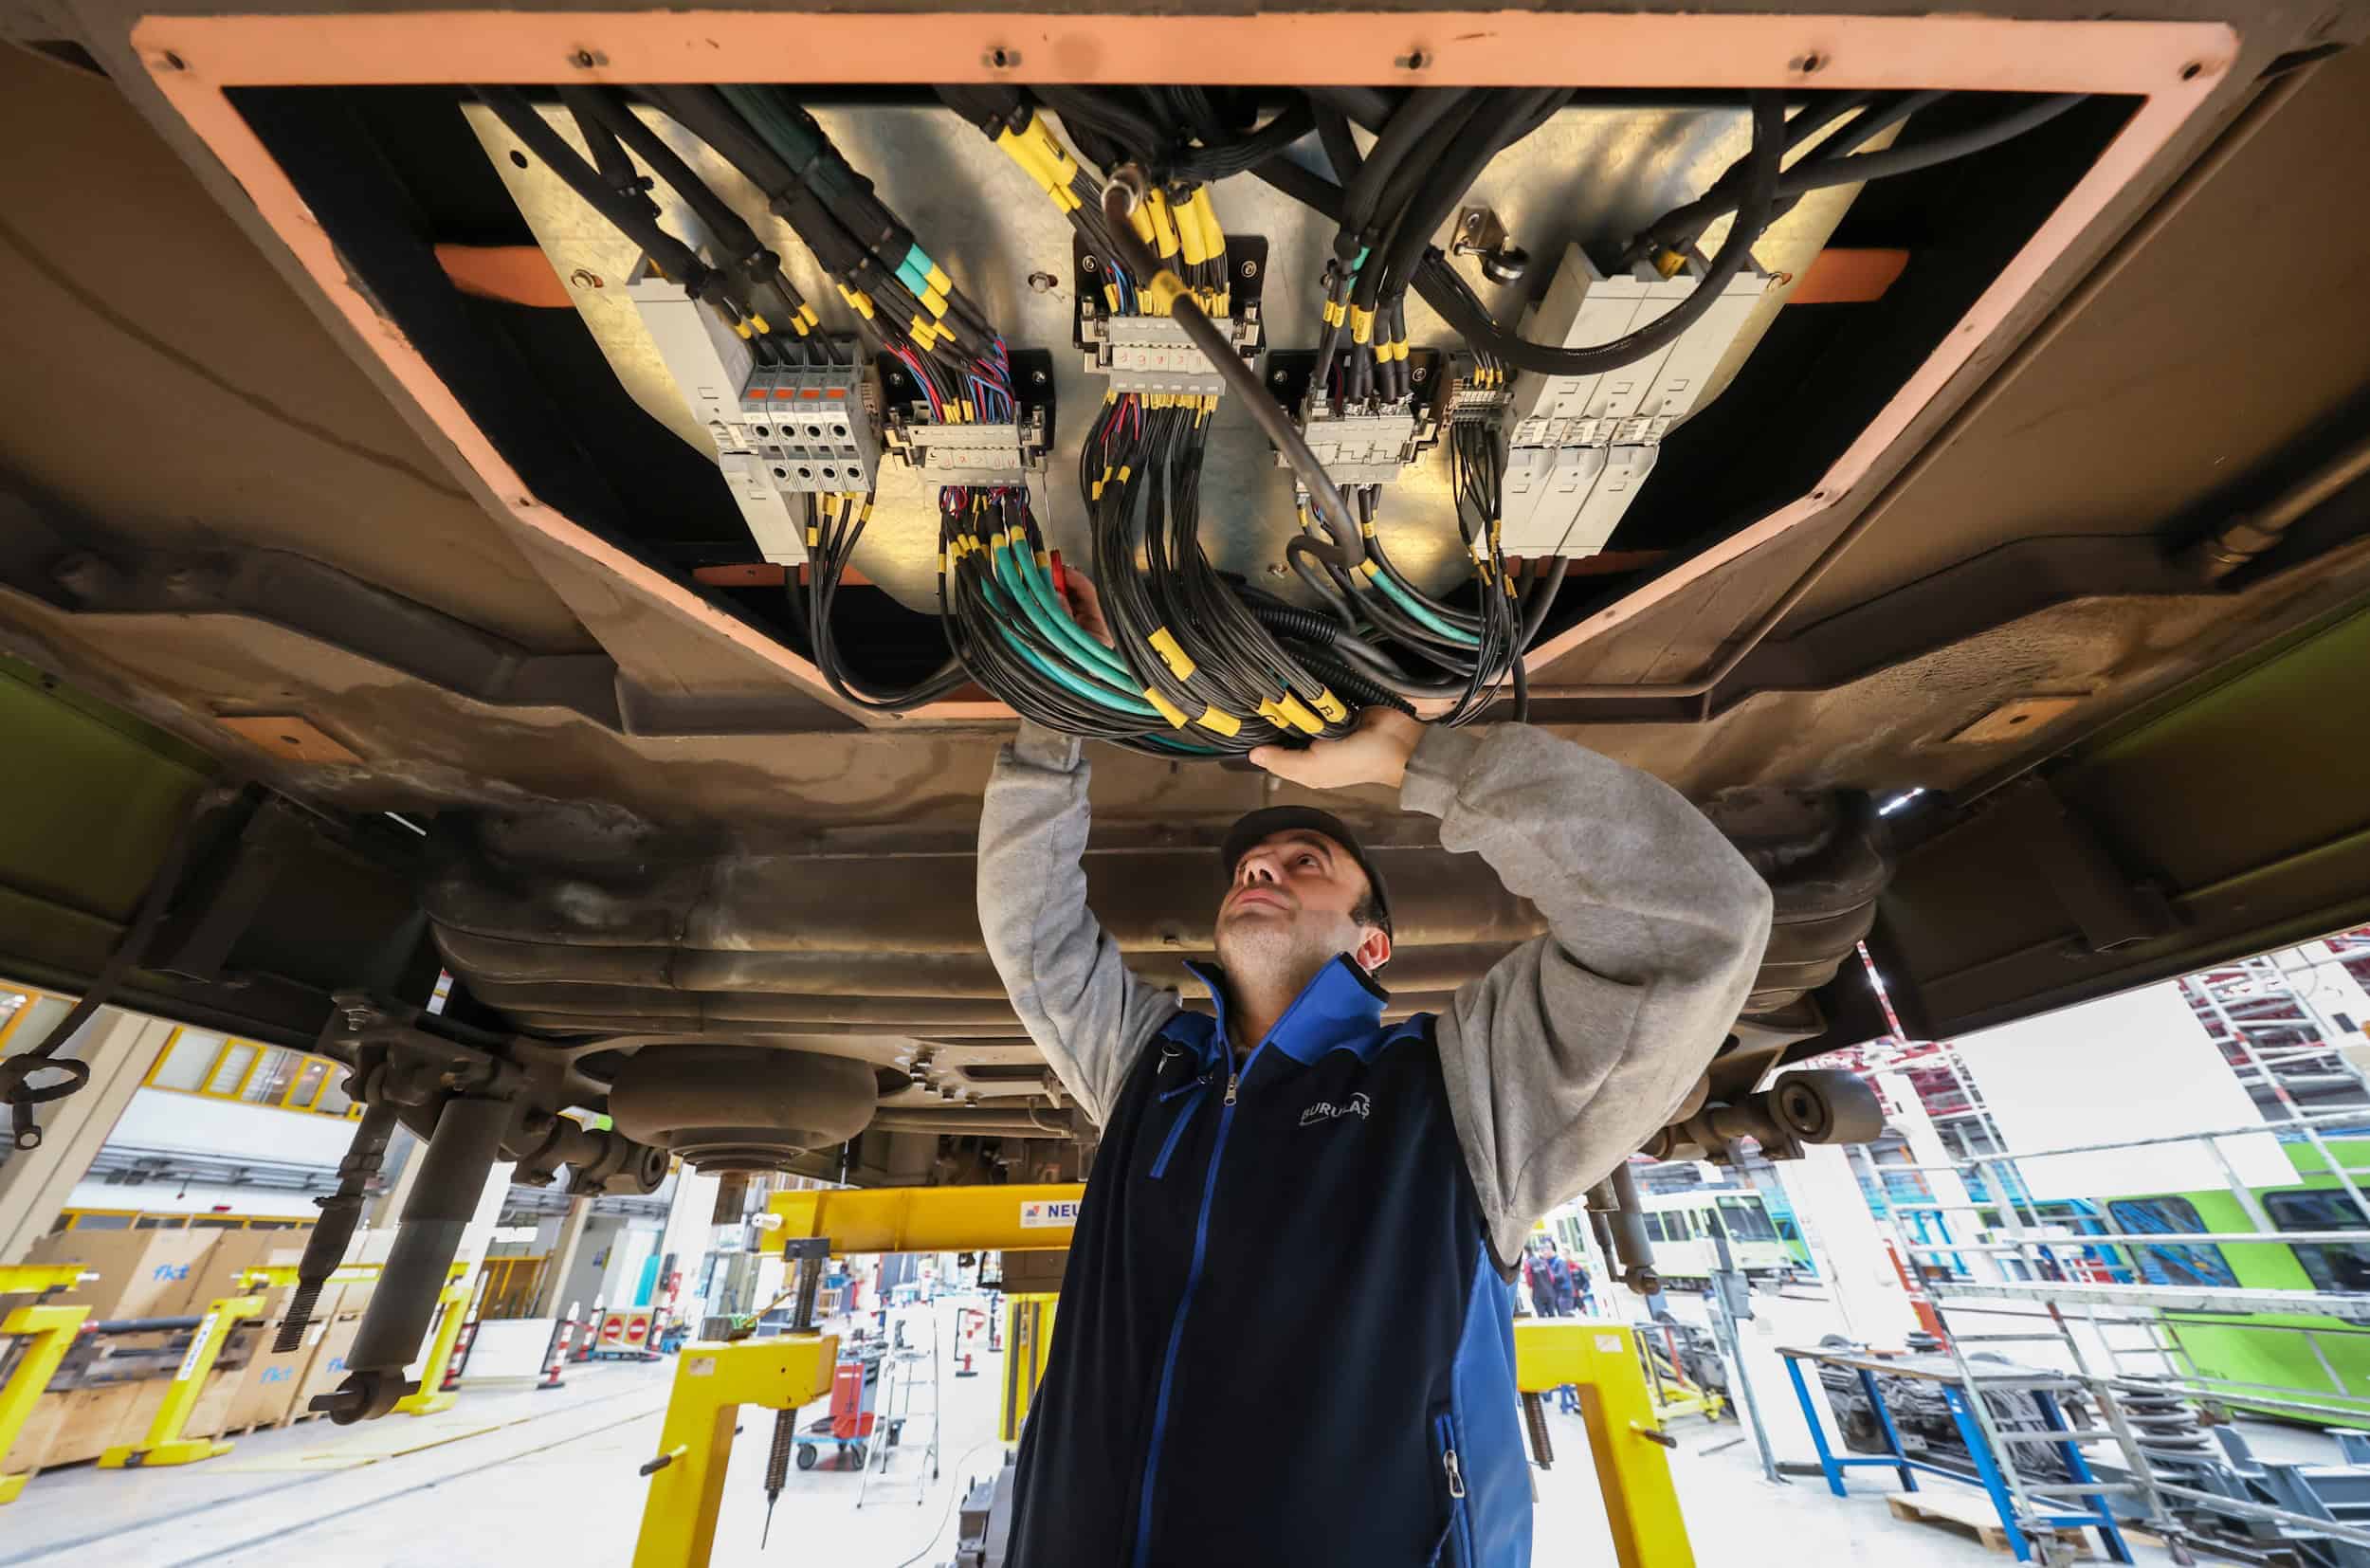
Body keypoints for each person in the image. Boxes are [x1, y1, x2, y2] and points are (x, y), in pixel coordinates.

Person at [975, 575, 1773, 1567]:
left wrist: (1416, 759)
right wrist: (1056, 710)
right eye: (1249, 867)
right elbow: (1033, 937)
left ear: (1375, 945)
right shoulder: (1152, 1072)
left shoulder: (1459, 1090)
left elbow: (1693, 923)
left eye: (1304, 859)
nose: (1259, 868)